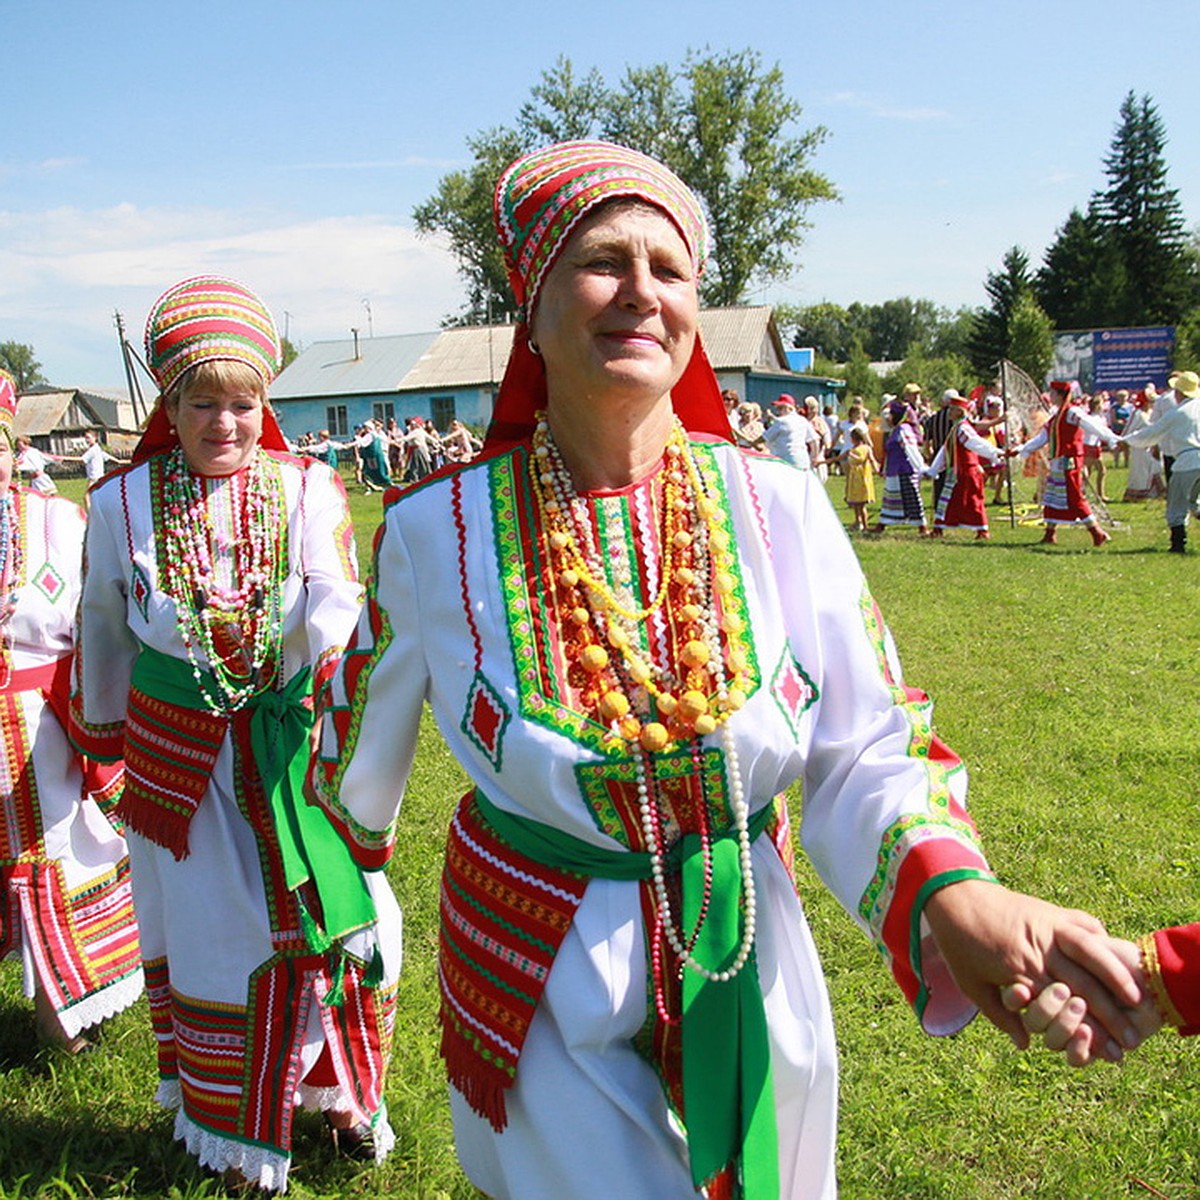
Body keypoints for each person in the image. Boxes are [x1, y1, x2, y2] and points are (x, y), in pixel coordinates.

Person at [310, 141, 1142, 1200]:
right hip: (539, 968)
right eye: (603, 260)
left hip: (745, 938)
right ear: (530, 306)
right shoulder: (434, 530)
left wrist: (952, 893)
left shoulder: (778, 506)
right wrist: (337, 880)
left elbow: (867, 741)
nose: (642, 293)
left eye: (671, 269)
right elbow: (355, 757)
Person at [69, 276, 402, 1191]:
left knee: (333, 921)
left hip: (288, 749)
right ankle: (226, 1126)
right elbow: (102, 626)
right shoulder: (119, 504)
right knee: (217, 932)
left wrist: (305, 675)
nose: (225, 421)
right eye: (202, 401)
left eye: (244, 401)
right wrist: (102, 736)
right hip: (178, 770)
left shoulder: (307, 488)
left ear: (267, 403)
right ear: (168, 405)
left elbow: (336, 604)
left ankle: (338, 1098)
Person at [0, 370, 141, 1054]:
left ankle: (60, 1009)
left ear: (13, 446)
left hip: (43, 724)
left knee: (56, 852)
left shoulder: (57, 521)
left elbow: (97, 620)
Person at [1016, 380, 1116, 547]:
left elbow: (1091, 425)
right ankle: (1050, 534)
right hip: (1057, 462)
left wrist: (1110, 438)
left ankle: (1097, 532)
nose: (1050, 396)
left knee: (1074, 497)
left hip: (1069, 462)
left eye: (1053, 393)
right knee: (1052, 496)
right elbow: (1043, 437)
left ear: (1060, 395)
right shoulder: (1057, 416)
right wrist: (1022, 449)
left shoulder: (1072, 413)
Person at [1120, 369, 1200, 553]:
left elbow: (1152, 433)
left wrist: (1126, 440)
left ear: (1179, 393)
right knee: (1195, 502)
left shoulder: (1178, 412)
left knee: (1176, 504)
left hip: (1187, 461)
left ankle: (1179, 544)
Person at [926, 393, 1005, 539]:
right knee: (947, 500)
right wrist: (933, 470)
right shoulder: (957, 428)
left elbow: (975, 443)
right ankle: (939, 528)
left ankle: (982, 531)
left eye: (952, 409)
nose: (949, 412)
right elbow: (945, 451)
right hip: (957, 472)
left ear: (959, 412)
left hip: (966, 472)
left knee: (973, 501)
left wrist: (996, 452)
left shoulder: (963, 428)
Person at [875, 398, 929, 535]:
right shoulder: (896, 430)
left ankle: (922, 526)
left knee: (912, 497)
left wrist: (921, 467)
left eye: (891, 415)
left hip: (905, 469)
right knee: (890, 498)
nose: (888, 418)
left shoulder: (904, 430)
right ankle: (882, 523)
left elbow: (911, 449)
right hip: (894, 469)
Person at [1121, 389, 1166, 501]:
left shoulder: (1152, 414)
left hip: (1151, 446)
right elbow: (1128, 430)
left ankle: (1156, 491)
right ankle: (1136, 494)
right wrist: (1123, 441)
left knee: (1155, 467)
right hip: (1138, 447)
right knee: (1140, 471)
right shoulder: (1137, 414)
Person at [763, 393, 819, 469]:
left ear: (788, 408)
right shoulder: (803, 420)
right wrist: (814, 457)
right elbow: (814, 441)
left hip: (784, 459)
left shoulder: (780, 421)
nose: (778, 411)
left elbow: (765, 438)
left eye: (780, 408)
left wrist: (752, 442)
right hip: (802, 459)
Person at [840, 425, 878, 531]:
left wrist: (877, 470)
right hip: (853, 478)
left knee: (861, 504)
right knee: (855, 503)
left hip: (862, 478)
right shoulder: (852, 449)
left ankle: (865, 526)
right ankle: (857, 522)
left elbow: (870, 459)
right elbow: (839, 458)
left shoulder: (866, 449)